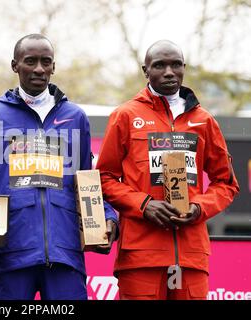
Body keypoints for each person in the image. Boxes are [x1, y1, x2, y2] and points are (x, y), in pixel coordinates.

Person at [0, 34, 118, 300]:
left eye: (46, 62)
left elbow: (89, 180)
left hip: (65, 252)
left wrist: (108, 217)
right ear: (15, 65)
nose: (39, 69)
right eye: (30, 61)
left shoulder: (75, 117)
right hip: (12, 251)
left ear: (54, 67)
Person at [96, 40, 239, 300]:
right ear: (145, 70)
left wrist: (198, 208)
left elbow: (226, 183)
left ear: (184, 68)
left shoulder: (204, 120)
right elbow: (103, 178)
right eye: (160, 65)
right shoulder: (125, 116)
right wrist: (144, 204)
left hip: (191, 257)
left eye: (176, 65)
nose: (169, 72)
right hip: (141, 256)